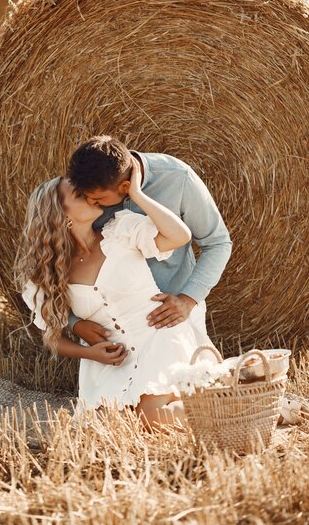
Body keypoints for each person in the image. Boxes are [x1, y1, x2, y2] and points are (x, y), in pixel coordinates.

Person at [15, 160, 218, 430]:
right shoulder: (46, 273)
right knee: (107, 427)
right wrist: (91, 354)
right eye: (79, 194)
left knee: (151, 418)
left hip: (159, 336)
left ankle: (234, 403)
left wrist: (136, 194)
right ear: (62, 215)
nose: (89, 194)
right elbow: (52, 339)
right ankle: (223, 396)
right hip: (110, 364)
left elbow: (180, 236)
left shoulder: (121, 230)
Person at [66, 136, 232, 347]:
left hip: (171, 315)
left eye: (98, 200)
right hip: (114, 328)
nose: (89, 203)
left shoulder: (178, 179)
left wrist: (188, 299)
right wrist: (74, 322)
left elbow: (217, 243)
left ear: (125, 186)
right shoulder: (85, 192)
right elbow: (58, 257)